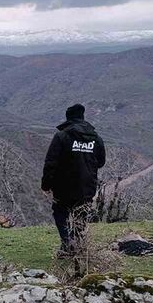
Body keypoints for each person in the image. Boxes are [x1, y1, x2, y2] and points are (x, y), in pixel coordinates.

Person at [41, 104, 106, 257]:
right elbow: (101, 162)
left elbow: (51, 162)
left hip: (63, 186)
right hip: (87, 186)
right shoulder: (96, 138)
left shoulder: (62, 136)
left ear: (68, 118)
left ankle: (67, 244)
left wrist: (46, 185)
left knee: (60, 214)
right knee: (80, 215)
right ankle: (77, 245)